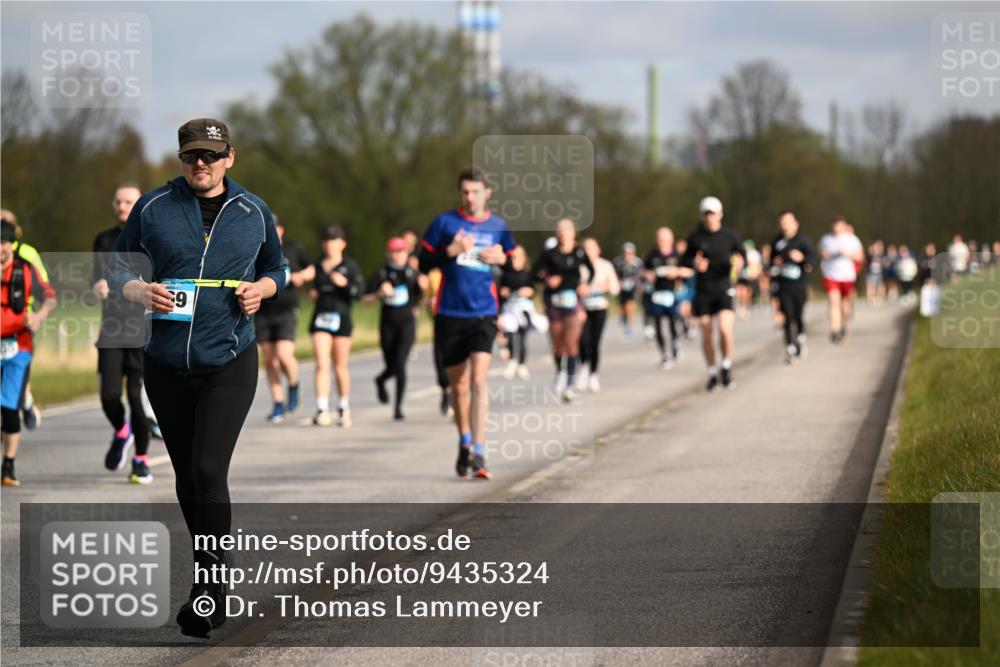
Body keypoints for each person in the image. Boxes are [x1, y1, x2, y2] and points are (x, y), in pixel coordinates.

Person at [108, 118, 286, 638]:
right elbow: (117, 267)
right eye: (191, 156)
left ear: (230, 156)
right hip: (164, 362)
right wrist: (139, 291)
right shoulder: (153, 207)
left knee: (209, 470)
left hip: (229, 358)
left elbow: (279, 269)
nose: (199, 164)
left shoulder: (253, 210)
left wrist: (262, 292)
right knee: (187, 476)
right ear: (182, 159)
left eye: (209, 155)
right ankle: (211, 579)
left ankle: (209, 587)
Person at [418, 166, 515, 480]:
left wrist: (503, 259)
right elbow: (423, 261)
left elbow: (515, 265)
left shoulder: (498, 226)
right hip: (450, 313)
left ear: (488, 192)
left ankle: (481, 451)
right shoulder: (445, 222)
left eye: (475, 191)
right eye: (465, 192)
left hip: (484, 313)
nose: (470, 196)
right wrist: (451, 250)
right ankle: (464, 442)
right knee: (458, 386)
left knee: (478, 382)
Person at [91, 184, 157, 482]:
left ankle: (141, 460)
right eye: (118, 201)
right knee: (109, 396)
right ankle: (121, 430)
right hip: (112, 328)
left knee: (136, 398)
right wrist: (98, 286)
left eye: (128, 202)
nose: (121, 206)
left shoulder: (152, 236)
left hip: (144, 329)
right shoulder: (103, 240)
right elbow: (95, 279)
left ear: (139, 204)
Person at [1, 220, 56, 486]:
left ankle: (8, 465)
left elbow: (50, 296)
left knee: (8, 405)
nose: (0, 248)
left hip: (18, 345)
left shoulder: (25, 268)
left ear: (12, 244)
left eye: (3, 242)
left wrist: (39, 317)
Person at [296, 226, 364, 428]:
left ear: (342, 243)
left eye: (334, 240)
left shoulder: (349, 266)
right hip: (321, 319)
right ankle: (322, 408)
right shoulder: (317, 266)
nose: (330, 244)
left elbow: (359, 294)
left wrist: (344, 284)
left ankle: (343, 406)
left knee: (340, 366)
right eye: (327, 240)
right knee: (321, 363)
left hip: (342, 319)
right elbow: (304, 277)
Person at [680, 196, 745, 392]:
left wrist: (739, 265)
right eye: (707, 214)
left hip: (724, 286)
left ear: (720, 214)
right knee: (706, 332)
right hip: (703, 290)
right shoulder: (696, 238)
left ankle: (726, 365)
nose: (710, 218)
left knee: (725, 329)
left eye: (713, 213)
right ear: (702, 216)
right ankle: (712, 372)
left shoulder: (730, 235)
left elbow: (743, 257)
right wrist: (695, 264)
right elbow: (684, 261)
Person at [255, 217, 310, 423]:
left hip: (287, 309)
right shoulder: (257, 250)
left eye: (274, 228)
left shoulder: (294, 249)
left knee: (284, 355)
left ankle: (294, 383)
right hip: (263, 311)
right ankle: (278, 403)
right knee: (269, 359)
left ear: (281, 229)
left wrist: (302, 276)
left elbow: (313, 268)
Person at [533, 218, 595, 403]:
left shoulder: (579, 252)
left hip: (572, 301)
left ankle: (570, 382)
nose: (563, 233)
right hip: (553, 301)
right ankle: (559, 371)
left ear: (574, 232)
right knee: (557, 341)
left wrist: (585, 284)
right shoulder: (549, 253)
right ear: (556, 233)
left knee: (571, 342)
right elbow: (535, 272)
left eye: (567, 230)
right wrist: (547, 279)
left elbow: (590, 271)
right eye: (560, 230)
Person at [366, 236, 422, 420]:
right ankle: (381, 380)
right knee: (391, 365)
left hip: (406, 324)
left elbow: (418, 298)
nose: (398, 256)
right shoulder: (381, 273)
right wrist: (379, 293)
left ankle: (398, 407)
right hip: (387, 324)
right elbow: (365, 299)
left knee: (401, 364)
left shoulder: (412, 273)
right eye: (394, 252)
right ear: (388, 253)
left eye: (401, 252)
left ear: (407, 253)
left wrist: (424, 291)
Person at [1, 209, 46, 431]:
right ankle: (22, 401)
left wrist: (36, 316)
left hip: (21, 323)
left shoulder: (28, 253)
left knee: (16, 369)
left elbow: (43, 286)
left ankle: (20, 402)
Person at [768, 210, 814, 364]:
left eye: (788, 221)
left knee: (798, 314)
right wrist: (775, 263)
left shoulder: (803, 241)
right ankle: (789, 347)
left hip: (799, 284)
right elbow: (770, 264)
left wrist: (802, 259)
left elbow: (811, 263)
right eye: (782, 222)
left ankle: (800, 337)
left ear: (795, 223)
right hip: (783, 285)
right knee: (787, 315)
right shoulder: (777, 242)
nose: (785, 225)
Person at [644, 227, 689, 369]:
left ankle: (675, 343)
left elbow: (689, 271)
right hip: (657, 294)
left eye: (664, 237)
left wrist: (676, 272)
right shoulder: (652, 254)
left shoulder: (677, 255)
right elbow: (643, 271)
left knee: (673, 323)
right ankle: (664, 355)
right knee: (657, 325)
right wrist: (648, 274)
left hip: (673, 294)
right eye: (659, 237)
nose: (661, 240)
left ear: (671, 239)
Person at [579, 237, 620, 391]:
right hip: (582, 309)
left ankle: (594, 375)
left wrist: (605, 287)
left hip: (599, 307)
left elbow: (615, 288)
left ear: (598, 250)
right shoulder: (579, 266)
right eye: (586, 248)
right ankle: (583, 368)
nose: (588, 251)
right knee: (582, 342)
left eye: (591, 248)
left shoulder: (605, 265)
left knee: (595, 343)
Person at [818, 214, 865, 343]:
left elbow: (860, 257)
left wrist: (848, 253)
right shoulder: (826, 239)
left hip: (847, 276)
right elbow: (819, 254)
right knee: (833, 302)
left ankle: (844, 326)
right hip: (830, 275)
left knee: (845, 306)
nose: (837, 228)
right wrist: (823, 254)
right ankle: (835, 330)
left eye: (839, 226)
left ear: (843, 226)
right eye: (835, 226)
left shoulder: (852, 239)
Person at [499, 245, 540, 381]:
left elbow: (534, 290)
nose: (516, 260)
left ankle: (522, 364)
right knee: (510, 334)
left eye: (519, 257)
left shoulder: (528, 274)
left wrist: (529, 292)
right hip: (509, 309)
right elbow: (500, 292)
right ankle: (512, 360)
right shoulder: (504, 274)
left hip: (524, 310)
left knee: (522, 337)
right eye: (513, 257)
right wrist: (503, 292)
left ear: (524, 259)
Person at [612, 242, 644, 337]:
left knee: (630, 305)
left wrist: (639, 285)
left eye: (630, 253)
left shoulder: (638, 262)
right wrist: (617, 283)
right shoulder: (617, 262)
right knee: (622, 305)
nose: (628, 256)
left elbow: (641, 275)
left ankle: (629, 325)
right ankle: (623, 317)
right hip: (621, 287)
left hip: (632, 287)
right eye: (626, 253)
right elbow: (614, 275)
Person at [735, 240, 763, 320]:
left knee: (748, 293)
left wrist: (755, 274)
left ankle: (746, 307)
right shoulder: (739, 253)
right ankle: (741, 306)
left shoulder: (754, 254)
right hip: (741, 276)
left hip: (750, 276)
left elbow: (756, 266)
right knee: (740, 292)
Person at [866, 240, 886, 305]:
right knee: (870, 285)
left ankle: (880, 298)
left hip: (879, 273)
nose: (875, 248)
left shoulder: (882, 255)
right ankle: (871, 299)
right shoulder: (869, 255)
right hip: (870, 272)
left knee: (879, 286)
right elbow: (866, 262)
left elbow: (885, 263)